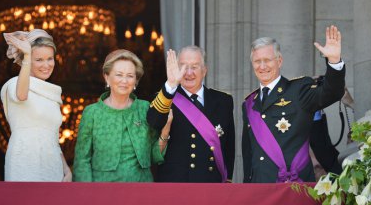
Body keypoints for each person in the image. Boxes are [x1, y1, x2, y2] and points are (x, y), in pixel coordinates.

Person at [242, 25, 345, 183]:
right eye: (257, 61)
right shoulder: (249, 103)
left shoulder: (298, 90)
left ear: (280, 61)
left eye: (267, 60)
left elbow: (331, 93)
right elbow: (249, 153)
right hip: (259, 189)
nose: (262, 66)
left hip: (294, 185)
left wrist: (334, 61)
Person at [73, 49, 169, 182]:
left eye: (130, 76)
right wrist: (87, 196)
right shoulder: (92, 113)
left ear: (136, 80)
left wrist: (165, 130)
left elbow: (154, 155)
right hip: (102, 192)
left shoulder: (145, 108)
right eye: (119, 75)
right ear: (107, 77)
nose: (124, 80)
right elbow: (82, 161)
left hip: (141, 190)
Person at [147, 46, 235, 183]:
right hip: (175, 184)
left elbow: (229, 145)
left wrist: (228, 178)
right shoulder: (165, 98)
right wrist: (170, 84)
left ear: (204, 70)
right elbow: (154, 122)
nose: (188, 73)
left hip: (211, 183)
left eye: (194, 67)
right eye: (183, 67)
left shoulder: (223, 101)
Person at [0, 29, 72, 182]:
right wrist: (27, 54)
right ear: (27, 59)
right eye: (39, 59)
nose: (46, 65)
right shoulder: (14, 85)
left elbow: (53, 137)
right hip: (24, 161)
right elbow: (22, 95)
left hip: (52, 165)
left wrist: (66, 168)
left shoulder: (52, 94)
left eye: (50, 59)